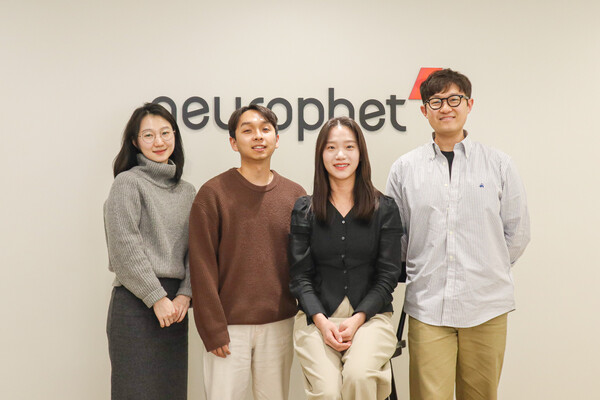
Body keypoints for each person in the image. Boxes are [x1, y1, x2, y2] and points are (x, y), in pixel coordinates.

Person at [386, 68, 530, 400]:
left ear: (469, 104)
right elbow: (397, 237)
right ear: (424, 110)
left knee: (481, 395)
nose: (446, 108)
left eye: (454, 99)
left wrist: (487, 266)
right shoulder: (404, 169)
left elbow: (517, 232)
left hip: (486, 306)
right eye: (436, 102)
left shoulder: (499, 165)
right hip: (428, 307)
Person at [188, 104, 306, 400]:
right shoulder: (212, 194)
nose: (258, 136)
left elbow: (304, 263)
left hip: (279, 323)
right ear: (233, 142)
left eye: (265, 129)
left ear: (277, 139)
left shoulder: (295, 195)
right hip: (228, 328)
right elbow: (201, 266)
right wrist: (212, 328)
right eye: (248, 130)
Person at [289, 116, 403, 400]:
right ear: (321, 155)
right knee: (327, 391)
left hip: (371, 317)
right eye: (331, 148)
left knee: (358, 376)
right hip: (316, 318)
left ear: (360, 153)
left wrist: (358, 319)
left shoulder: (385, 209)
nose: (340, 155)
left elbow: (388, 275)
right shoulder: (304, 210)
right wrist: (321, 321)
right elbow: (300, 277)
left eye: (349, 147)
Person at [104, 103, 196, 400]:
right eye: (148, 135)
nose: (159, 141)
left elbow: (197, 250)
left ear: (175, 136)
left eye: (165, 133)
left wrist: (185, 294)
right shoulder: (127, 183)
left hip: (176, 309)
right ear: (135, 142)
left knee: (171, 392)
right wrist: (156, 298)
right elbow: (124, 248)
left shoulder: (187, 191)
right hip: (136, 304)